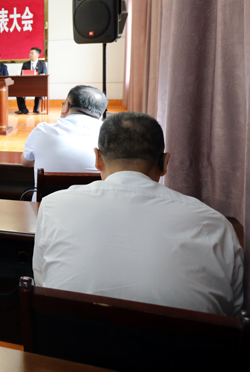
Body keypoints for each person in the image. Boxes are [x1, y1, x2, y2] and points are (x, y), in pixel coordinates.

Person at [34, 111, 244, 316]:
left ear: (97, 159)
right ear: (164, 163)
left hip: (66, 336)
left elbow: (43, 283)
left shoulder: (54, 205)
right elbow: (233, 309)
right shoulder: (214, 224)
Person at [22, 86, 107, 200]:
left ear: (66, 106)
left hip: (44, 208)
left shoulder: (42, 130)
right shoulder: (110, 136)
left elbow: (26, 162)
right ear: (101, 115)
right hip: (93, 208)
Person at [16, 47, 47, 114]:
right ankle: (23, 109)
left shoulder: (42, 64)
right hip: (26, 85)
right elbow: (22, 75)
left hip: (38, 85)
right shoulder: (25, 64)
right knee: (18, 91)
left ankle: (36, 109)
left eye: (32, 53)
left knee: (40, 90)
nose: (30, 54)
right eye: (30, 53)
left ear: (38, 55)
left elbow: (44, 75)